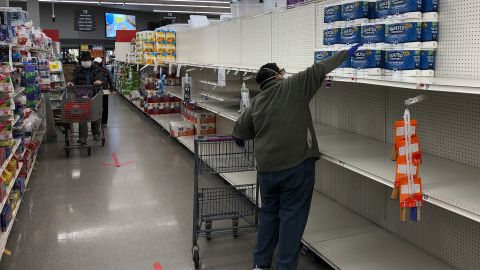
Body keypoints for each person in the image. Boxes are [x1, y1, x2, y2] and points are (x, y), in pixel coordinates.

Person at [232, 45, 361, 270]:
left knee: (269, 215)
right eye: (281, 70)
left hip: (266, 172)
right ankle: (285, 266)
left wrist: (241, 138)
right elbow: (320, 68)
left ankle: (260, 264)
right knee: (292, 219)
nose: (284, 73)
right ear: (277, 75)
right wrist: (346, 54)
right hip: (295, 168)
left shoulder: (257, 102)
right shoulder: (294, 85)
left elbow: (240, 130)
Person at [67, 51, 106, 144]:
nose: (85, 62)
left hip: (94, 94)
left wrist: (99, 81)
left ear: (90, 61)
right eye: (83, 61)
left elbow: (102, 77)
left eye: (87, 60)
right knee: (82, 116)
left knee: (95, 115)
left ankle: (96, 133)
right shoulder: (77, 70)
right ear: (81, 62)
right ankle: (82, 137)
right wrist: (71, 83)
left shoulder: (96, 69)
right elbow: (74, 79)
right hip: (81, 95)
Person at [93, 57, 113, 126]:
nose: (96, 65)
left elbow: (110, 80)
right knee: (99, 106)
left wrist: (113, 89)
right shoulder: (92, 71)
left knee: (104, 106)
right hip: (96, 90)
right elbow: (110, 80)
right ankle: (98, 121)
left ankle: (103, 122)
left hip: (103, 90)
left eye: (97, 63)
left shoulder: (105, 70)